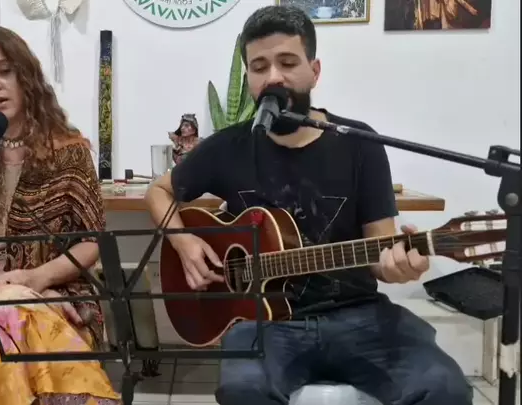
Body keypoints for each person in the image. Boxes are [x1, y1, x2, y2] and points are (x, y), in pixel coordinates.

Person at [144, 5, 472, 405]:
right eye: (259, 66)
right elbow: (157, 192)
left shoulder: (359, 144)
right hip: (264, 325)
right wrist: (182, 242)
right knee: (242, 389)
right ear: (248, 78)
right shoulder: (228, 147)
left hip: (359, 315)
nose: (273, 77)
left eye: (287, 62)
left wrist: (399, 266)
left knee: (444, 387)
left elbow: (381, 252)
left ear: (314, 71)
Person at [0, 26, 120, 405]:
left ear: (25, 76)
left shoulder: (68, 149)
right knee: (4, 313)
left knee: (16, 317)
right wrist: (7, 289)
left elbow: (91, 241)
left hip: (55, 290)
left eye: (4, 70)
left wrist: (36, 280)